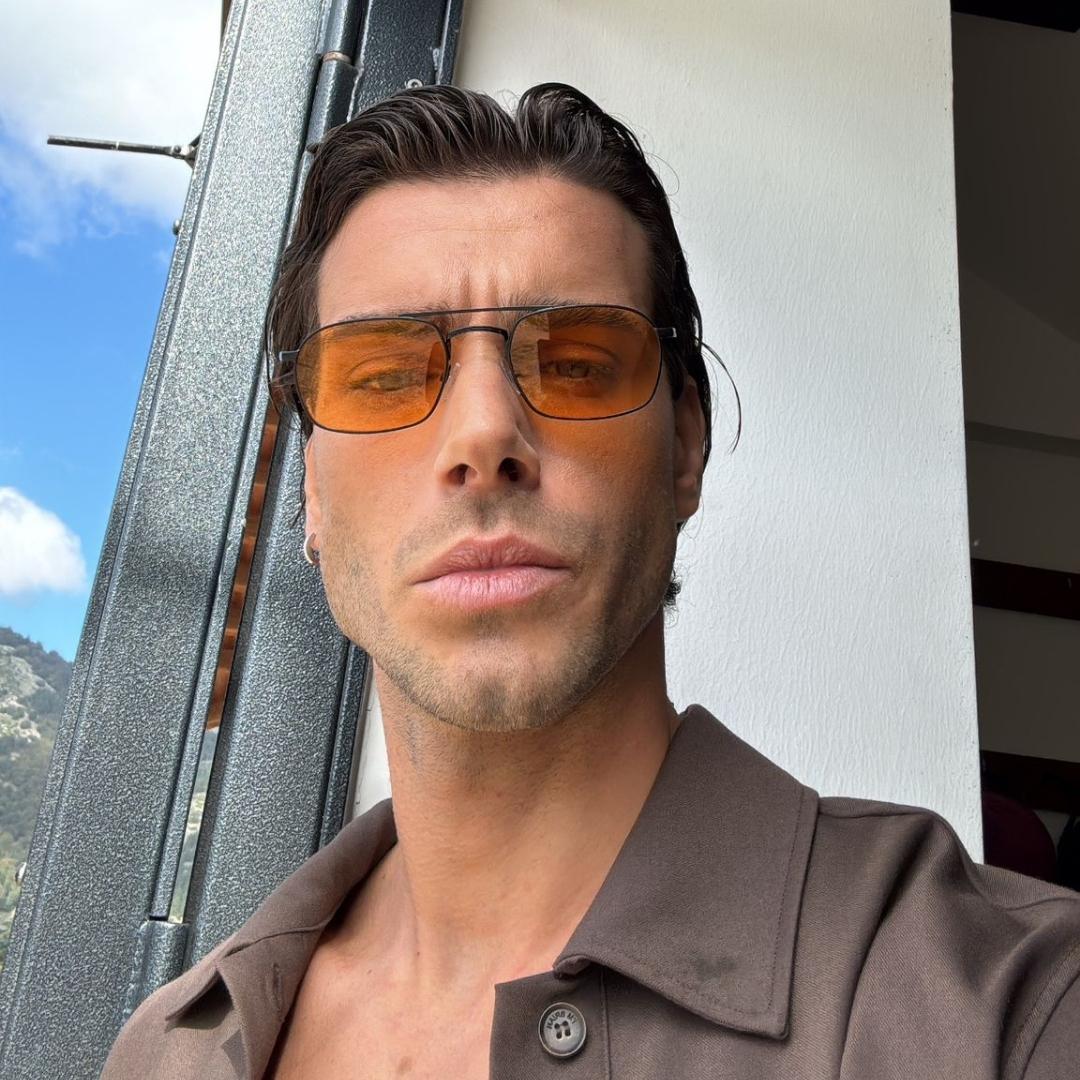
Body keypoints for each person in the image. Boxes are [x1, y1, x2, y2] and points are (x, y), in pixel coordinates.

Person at [101, 82, 1079, 1080]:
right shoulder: (162, 1054)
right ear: (312, 493)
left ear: (685, 447)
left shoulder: (1020, 1004)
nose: (484, 435)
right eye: (384, 376)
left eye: (575, 363)